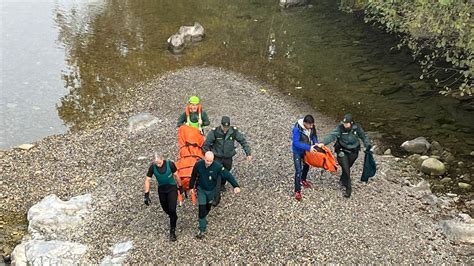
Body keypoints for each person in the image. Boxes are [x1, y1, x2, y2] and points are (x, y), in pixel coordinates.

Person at [317, 113, 371, 198]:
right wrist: (323, 143)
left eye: (347, 123)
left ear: (351, 123)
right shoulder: (340, 128)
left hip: (353, 151)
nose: (345, 125)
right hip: (342, 151)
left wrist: (368, 145)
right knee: (346, 168)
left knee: (348, 166)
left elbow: (364, 137)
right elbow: (332, 135)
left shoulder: (357, 128)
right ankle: (348, 188)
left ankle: (343, 178)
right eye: (344, 123)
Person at [189, 151, 241, 239]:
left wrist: (235, 185)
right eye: (207, 160)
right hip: (201, 189)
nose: (208, 162)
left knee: (208, 207)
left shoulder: (217, 167)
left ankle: (204, 217)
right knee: (201, 209)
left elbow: (227, 175)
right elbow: (193, 175)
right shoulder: (198, 164)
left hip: (211, 190)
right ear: (204, 158)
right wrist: (191, 187)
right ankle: (202, 229)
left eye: (210, 161)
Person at [202, 116, 251, 206]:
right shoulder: (214, 132)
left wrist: (248, 153)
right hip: (217, 157)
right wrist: (208, 154)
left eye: (227, 127)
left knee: (226, 171)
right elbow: (206, 145)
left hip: (228, 157)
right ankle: (216, 198)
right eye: (224, 127)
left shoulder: (234, 132)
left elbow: (243, 141)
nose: (225, 129)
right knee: (217, 176)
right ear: (221, 125)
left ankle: (222, 184)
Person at [143, 153, 183, 241]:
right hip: (162, 189)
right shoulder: (152, 167)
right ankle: (173, 217)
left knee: (172, 209)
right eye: (156, 163)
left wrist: (180, 187)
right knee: (165, 208)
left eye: (160, 163)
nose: (158, 165)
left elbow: (176, 175)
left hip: (172, 188)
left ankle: (172, 231)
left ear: (163, 159)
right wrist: (146, 194)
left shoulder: (170, 164)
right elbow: (147, 180)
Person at [291, 114, 320, 201]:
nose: (311, 127)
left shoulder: (312, 127)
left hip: (307, 150)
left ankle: (303, 180)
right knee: (298, 170)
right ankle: (297, 191)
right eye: (310, 125)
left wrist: (316, 143)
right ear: (305, 123)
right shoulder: (297, 129)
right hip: (297, 151)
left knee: (307, 165)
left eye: (312, 125)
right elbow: (296, 143)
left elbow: (314, 135)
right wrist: (309, 148)